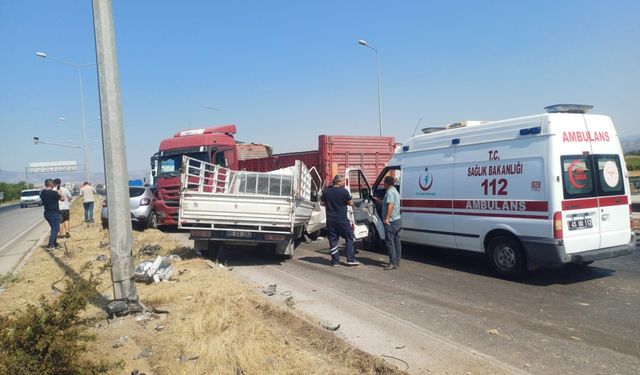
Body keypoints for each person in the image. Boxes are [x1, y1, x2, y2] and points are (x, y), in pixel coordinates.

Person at [321, 174, 359, 267]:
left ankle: (335, 261)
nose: (343, 183)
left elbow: (322, 203)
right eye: (342, 181)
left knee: (333, 240)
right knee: (349, 237)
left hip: (331, 220)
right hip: (342, 220)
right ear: (338, 181)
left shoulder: (326, 192)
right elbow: (350, 203)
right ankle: (350, 259)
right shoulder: (344, 192)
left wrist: (330, 205)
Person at [379, 175, 402, 270]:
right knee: (397, 241)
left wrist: (386, 218)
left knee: (390, 242)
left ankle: (392, 262)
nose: (383, 185)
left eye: (384, 183)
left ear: (386, 184)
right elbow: (387, 203)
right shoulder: (395, 191)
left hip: (391, 221)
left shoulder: (389, 192)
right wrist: (378, 201)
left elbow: (390, 205)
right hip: (397, 220)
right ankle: (397, 261)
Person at [39, 178, 64, 250]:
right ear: (52, 184)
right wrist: (59, 192)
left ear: (45, 184)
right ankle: (50, 245)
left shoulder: (42, 193)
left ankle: (54, 243)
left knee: (53, 228)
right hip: (54, 213)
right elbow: (62, 199)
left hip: (46, 213)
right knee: (56, 229)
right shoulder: (54, 193)